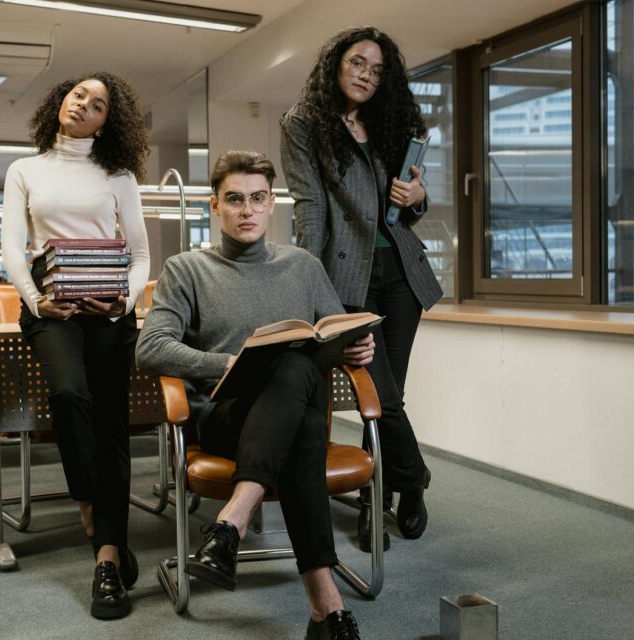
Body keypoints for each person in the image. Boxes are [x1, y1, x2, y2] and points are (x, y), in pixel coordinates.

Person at [136, 151, 374, 640]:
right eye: (235, 199)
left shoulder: (303, 266)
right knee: (296, 393)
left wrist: (355, 348)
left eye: (258, 198)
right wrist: (229, 364)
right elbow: (151, 347)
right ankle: (325, 607)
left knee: (298, 382)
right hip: (224, 417)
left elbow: (330, 338)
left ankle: (235, 529)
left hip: (288, 421)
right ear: (215, 206)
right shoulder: (187, 269)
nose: (247, 209)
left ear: (272, 205)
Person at [280, 27, 444, 552]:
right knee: (382, 393)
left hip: (402, 272)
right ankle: (410, 478)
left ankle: (378, 499)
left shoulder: (392, 124)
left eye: (376, 71)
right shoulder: (304, 123)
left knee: (388, 392)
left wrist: (419, 195)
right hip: (347, 275)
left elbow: (408, 209)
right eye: (357, 63)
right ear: (335, 63)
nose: (366, 76)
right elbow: (310, 205)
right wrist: (310, 279)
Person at [0, 71, 150, 620]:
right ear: (61, 100)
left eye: (99, 103)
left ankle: (107, 558)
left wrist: (124, 303)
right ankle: (92, 508)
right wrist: (37, 301)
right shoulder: (25, 169)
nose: (84, 104)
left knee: (112, 422)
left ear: (110, 120)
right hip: (50, 302)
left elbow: (139, 257)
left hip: (107, 306)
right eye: (79, 94)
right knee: (69, 394)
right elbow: (15, 247)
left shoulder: (120, 176)